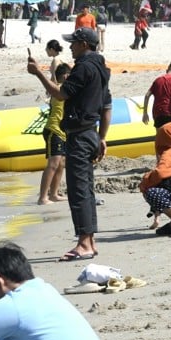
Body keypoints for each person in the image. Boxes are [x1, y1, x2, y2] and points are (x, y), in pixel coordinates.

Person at [27, 27, 111, 261]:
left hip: (80, 135)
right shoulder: (102, 68)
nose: (71, 47)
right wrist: (102, 137)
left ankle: (84, 243)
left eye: (74, 43)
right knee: (86, 189)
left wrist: (38, 73)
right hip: (91, 133)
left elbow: (61, 94)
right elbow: (107, 106)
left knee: (79, 190)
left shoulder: (84, 67)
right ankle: (89, 241)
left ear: (84, 44)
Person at [38, 61, 69, 205]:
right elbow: (53, 85)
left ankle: (54, 194)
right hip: (53, 130)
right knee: (53, 163)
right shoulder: (60, 89)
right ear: (65, 76)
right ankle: (42, 197)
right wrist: (52, 70)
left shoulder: (64, 88)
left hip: (62, 132)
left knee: (61, 163)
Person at [142, 61, 171, 128]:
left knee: (160, 136)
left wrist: (145, 113)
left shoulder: (157, 80)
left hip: (157, 113)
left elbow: (147, 96)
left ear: (167, 70)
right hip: (169, 113)